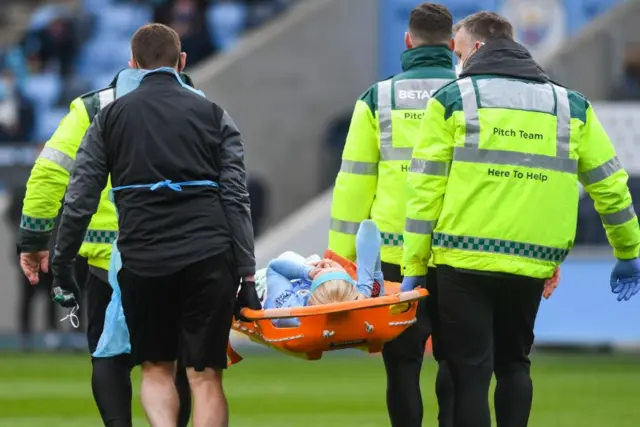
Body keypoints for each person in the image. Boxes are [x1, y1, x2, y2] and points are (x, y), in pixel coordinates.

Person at [402, 11, 640, 427]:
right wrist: (628, 251)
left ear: (475, 49)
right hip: (533, 261)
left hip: (463, 259)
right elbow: (610, 187)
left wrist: (413, 267)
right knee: (514, 363)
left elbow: (425, 191)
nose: (456, 62)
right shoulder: (571, 105)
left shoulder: (454, 99)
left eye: (457, 53)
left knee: (469, 370)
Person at [50, 23, 257, 427]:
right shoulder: (214, 114)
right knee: (205, 375)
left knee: (157, 369)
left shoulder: (109, 118)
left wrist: (62, 265)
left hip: (143, 259)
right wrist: (246, 275)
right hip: (210, 257)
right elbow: (236, 198)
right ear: (181, 62)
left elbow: (80, 200)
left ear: (133, 64)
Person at [17, 68, 194, 427]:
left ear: (131, 62)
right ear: (180, 61)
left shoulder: (92, 107)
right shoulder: (195, 105)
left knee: (108, 357)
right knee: (174, 360)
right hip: (176, 254)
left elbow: (49, 173)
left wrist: (35, 240)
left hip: (104, 259)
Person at [328, 3, 455, 426]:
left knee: (402, 365)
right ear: (454, 46)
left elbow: (354, 184)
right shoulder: (472, 95)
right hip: (458, 251)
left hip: (395, 257)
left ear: (407, 41)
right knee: (458, 364)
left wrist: (339, 259)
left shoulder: (378, 98)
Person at [259, 219, 384, 327]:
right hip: (343, 293)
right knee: (313, 259)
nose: (325, 266)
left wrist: (308, 271)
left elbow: (275, 267)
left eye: (323, 271)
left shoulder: (290, 308)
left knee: (289, 256)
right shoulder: (361, 298)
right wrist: (365, 288)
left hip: (264, 285)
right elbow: (369, 228)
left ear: (311, 298)